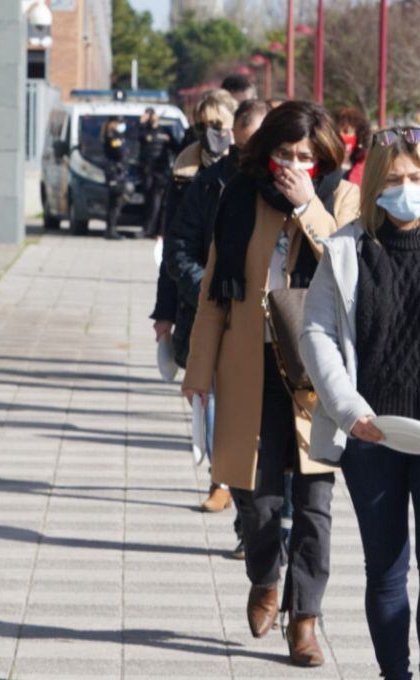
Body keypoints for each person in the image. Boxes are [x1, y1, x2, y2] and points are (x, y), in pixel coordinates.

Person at [181, 101, 360, 667]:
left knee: (314, 501)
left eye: (307, 156)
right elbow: (215, 289)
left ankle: (304, 619)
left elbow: (349, 269)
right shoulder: (241, 196)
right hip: (249, 364)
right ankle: (264, 575)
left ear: (324, 158)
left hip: (315, 372)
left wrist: (307, 206)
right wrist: (198, 371)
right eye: (285, 154)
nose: (294, 165)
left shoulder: (340, 198)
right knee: (256, 500)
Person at [300, 127, 420, 680]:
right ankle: (394, 673)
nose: (406, 188)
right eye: (393, 179)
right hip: (371, 433)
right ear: (374, 184)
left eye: (417, 177)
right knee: (386, 568)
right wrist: (350, 411)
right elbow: (317, 333)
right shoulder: (346, 249)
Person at [165, 99, 269, 531]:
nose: (248, 156)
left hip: (273, 328)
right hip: (216, 316)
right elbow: (178, 249)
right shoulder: (209, 184)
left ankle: (265, 522)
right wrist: (208, 292)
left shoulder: (293, 190)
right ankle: (223, 482)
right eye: (242, 147)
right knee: (215, 403)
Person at [150, 90, 238, 405]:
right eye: (202, 126)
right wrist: (165, 314)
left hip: (240, 300)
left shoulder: (250, 174)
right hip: (195, 299)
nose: (212, 133)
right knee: (206, 405)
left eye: (219, 124)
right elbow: (174, 251)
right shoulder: (184, 173)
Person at [138, 108, 174, 238]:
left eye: (153, 114)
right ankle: (148, 228)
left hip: (161, 171)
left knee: (158, 201)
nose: (152, 117)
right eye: (150, 115)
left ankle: (157, 230)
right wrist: (141, 122)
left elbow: (175, 146)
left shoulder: (165, 131)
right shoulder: (144, 130)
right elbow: (135, 137)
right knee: (149, 201)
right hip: (147, 171)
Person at [100, 115, 129, 240]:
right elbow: (120, 152)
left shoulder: (115, 136)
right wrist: (120, 138)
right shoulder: (112, 137)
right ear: (112, 123)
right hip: (114, 174)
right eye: (118, 123)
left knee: (115, 202)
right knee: (115, 202)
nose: (120, 125)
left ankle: (111, 229)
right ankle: (111, 230)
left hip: (116, 173)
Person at [333, 107, 371, 185]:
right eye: (337, 132)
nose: (341, 136)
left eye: (346, 132)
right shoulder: (324, 166)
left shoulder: (368, 166)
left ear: (359, 136)